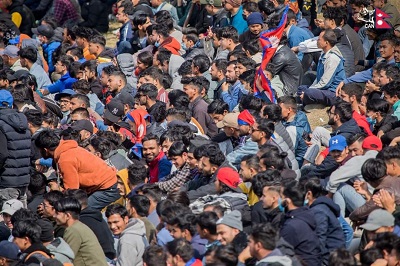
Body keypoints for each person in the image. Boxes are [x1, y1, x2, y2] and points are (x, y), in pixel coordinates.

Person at [35, 130, 120, 210]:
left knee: (82, 210)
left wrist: (57, 189)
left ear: (45, 150)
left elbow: (72, 192)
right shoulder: (68, 150)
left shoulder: (65, 159)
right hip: (104, 184)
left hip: (108, 187)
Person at [64, 189, 116, 260]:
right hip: (109, 255)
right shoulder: (94, 215)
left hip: (102, 258)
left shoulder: (82, 222)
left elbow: (70, 251)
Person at [54, 197, 108, 266]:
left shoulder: (73, 230)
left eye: (57, 213)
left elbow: (65, 258)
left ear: (67, 215)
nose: (54, 216)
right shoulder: (79, 226)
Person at [304, 178, 345, 265]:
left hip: (330, 258)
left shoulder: (318, 211)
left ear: (309, 193)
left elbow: (320, 240)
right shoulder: (323, 207)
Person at [299, 29, 345, 107]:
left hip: (333, 92)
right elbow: (318, 78)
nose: (317, 41)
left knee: (309, 93)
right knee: (301, 88)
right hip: (324, 90)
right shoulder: (323, 54)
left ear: (326, 42)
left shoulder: (333, 58)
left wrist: (309, 91)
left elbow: (325, 83)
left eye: (319, 39)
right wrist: (309, 89)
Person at [0, 90, 31, 206]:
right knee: (21, 219)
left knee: (7, 221)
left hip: (6, 182)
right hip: (23, 181)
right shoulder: (23, 123)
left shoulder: (1, 124)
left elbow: (1, 154)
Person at [280, 181, 321, 265]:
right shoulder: (307, 215)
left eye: (281, 197)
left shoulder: (292, 226)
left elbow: (281, 253)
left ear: (287, 201)